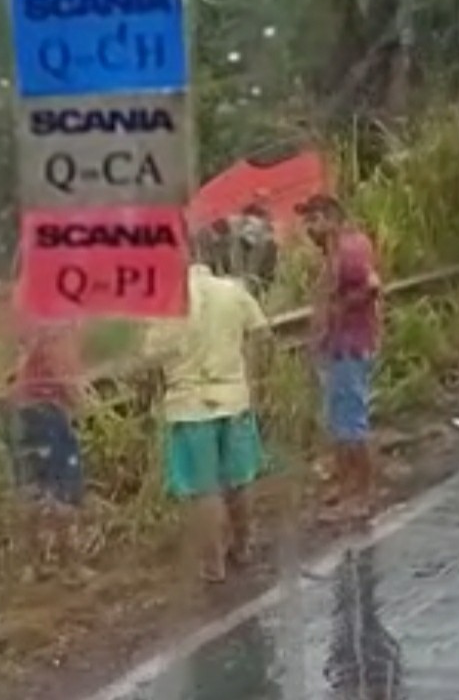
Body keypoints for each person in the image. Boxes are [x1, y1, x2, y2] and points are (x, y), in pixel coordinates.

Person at [152, 242, 272, 583]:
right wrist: (250, 374)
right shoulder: (232, 291)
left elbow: (150, 354)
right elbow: (262, 333)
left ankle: (213, 563)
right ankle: (244, 546)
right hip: (234, 397)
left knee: (204, 489)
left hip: (189, 406)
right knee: (240, 478)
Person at [298, 194, 382, 525]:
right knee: (341, 422)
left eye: (314, 220)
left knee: (352, 425)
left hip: (349, 347)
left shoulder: (348, 250)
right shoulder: (336, 250)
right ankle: (348, 489)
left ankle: (362, 494)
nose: (309, 228)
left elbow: (372, 285)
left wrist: (340, 310)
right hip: (338, 347)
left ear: (332, 217)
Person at [0, 291, 87, 577]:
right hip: (48, 410)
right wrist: (81, 403)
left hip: (23, 408)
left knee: (30, 487)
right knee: (64, 488)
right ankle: (69, 565)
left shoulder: (30, 310)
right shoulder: (59, 318)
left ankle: (31, 566)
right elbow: (60, 366)